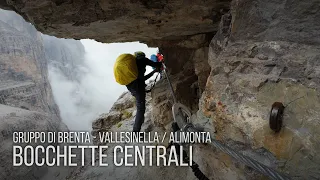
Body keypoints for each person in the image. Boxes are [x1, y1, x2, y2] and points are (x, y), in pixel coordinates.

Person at [126, 51, 162, 132]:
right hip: (138, 87)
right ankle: (135, 132)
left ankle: (138, 125)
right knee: (141, 109)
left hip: (131, 87)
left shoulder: (133, 65)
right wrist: (154, 71)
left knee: (140, 104)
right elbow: (143, 78)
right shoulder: (143, 60)